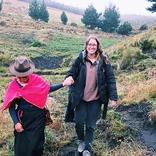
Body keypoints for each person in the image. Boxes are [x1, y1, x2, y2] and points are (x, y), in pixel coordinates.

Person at [2, 56, 72, 156]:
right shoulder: (13, 86)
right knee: (21, 145)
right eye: (20, 76)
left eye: (25, 76)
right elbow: (12, 107)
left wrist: (63, 84)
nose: (23, 79)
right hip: (23, 118)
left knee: (36, 144)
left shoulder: (36, 80)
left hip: (38, 117)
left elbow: (48, 89)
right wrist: (16, 122)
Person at [65, 35, 118, 156]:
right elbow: (71, 72)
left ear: (98, 46)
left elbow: (110, 79)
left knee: (90, 125)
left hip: (96, 99)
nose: (92, 47)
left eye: (94, 45)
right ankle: (81, 140)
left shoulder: (104, 61)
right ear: (86, 46)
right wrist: (69, 78)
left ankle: (87, 147)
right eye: (90, 44)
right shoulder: (80, 59)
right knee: (78, 122)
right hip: (80, 98)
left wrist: (113, 97)